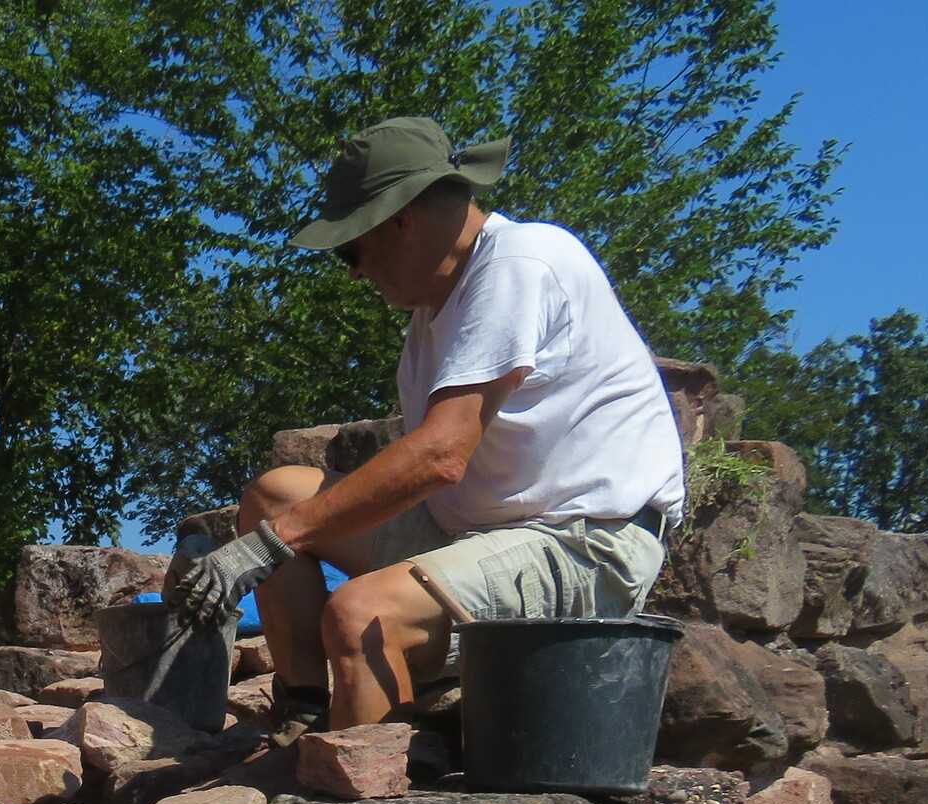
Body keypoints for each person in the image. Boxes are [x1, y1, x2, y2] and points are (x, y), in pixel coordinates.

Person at [172, 116, 686, 730]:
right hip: (477, 534)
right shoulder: (437, 312)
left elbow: (441, 455)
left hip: (584, 546)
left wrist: (269, 545)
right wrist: (275, 528)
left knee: (362, 616)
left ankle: (356, 783)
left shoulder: (522, 261)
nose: (354, 271)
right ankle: (302, 714)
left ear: (400, 220)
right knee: (274, 494)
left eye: (350, 249)